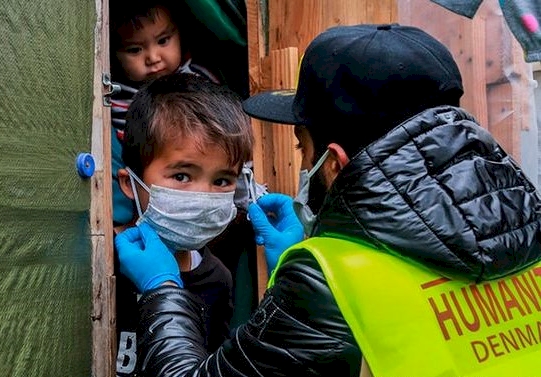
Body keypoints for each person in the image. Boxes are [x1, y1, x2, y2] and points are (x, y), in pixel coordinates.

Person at [114, 23, 541, 376]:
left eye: (302, 147)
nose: (302, 160)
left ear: (333, 163)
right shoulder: (526, 237)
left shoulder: (330, 279)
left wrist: (163, 289)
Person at [113, 72, 257, 376]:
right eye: (181, 176)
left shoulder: (218, 279)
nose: (202, 195)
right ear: (130, 184)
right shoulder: (102, 263)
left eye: (221, 180)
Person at [109, 0, 266, 226]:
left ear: (180, 34)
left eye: (163, 41)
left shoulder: (203, 79)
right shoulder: (116, 100)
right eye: (135, 49)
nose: (153, 57)